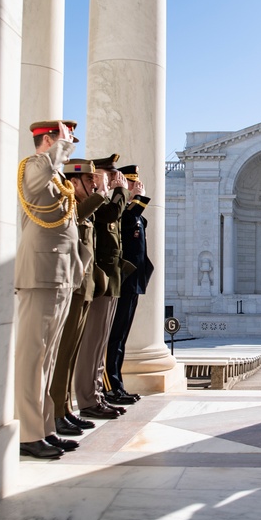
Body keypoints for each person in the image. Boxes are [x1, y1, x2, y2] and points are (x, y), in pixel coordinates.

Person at [13, 120, 82, 459]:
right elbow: (41, 177)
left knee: (48, 356)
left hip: (59, 273)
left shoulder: (56, 176)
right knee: (32, 356)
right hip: (40, 273)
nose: (70, 147)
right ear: (50, 139)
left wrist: (77, 270)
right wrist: (60, 148)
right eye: (66, 139)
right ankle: (27, 434)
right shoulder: (34, 168)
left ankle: (44, 428)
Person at [46, 159, 112, 448]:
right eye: (89, 182)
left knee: (71, 353)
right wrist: (102, 194)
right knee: (62, 355)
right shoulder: (72, 207)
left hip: (83, 288)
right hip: (71, 287)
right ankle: (57, 412)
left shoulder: (79, 209)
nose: (95, 186)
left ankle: (64, 409)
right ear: (74, 182)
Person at [74, 155, 131, 420]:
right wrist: (119, 191)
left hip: (111, 278)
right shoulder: (96, 202)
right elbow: (110, 215)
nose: (117, 179)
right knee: (92, 344)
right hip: (97, 278)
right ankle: (88, 398)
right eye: (112, 175)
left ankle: (95, 395)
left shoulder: (102, 201)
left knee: (100, 343)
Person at [104, 165, 153, 406]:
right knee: (113, 338)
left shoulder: (133, 214)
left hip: (131, 282)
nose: (139, 187)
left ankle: (117, 385)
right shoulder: (122, 213)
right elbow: (124, 224)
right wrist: (131, 199)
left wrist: (135, 202)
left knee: (120, 338)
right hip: (121, 282)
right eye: (134, 184)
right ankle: (110, 386)